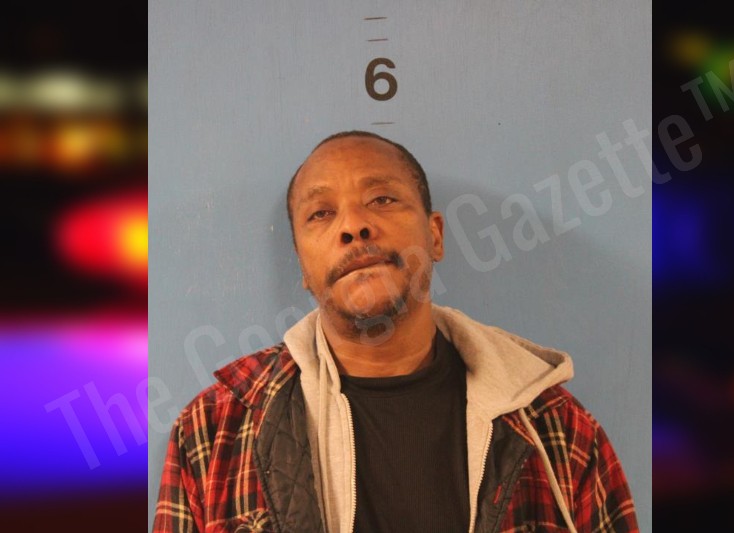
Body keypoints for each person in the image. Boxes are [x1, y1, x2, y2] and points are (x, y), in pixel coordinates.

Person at [153, 131, 639, 533]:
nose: (354, 226)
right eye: (321, 213)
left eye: (382, 199)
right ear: (302, 266)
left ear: (435, 235)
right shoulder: (213, 431)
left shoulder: (558, 432)